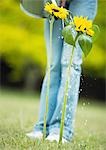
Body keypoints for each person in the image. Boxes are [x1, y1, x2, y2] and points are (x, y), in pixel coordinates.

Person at [26, 0, 97, 143]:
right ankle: (42, 127)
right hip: (56, 2)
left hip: (82, 2)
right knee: (53, 64)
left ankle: (62, 130)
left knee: (70, 63)